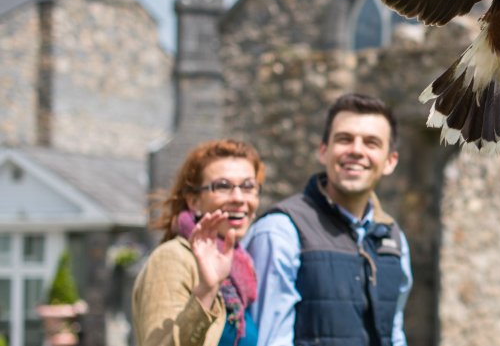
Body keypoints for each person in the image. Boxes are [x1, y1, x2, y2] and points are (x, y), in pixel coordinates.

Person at [243, 92, 412, 346]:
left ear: (390, 161)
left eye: (371, 143)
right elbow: (269, 341)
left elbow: (394, 334)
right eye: (344, 139)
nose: (356, 150)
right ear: (323, 151)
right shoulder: (280, 231)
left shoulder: (395, 240)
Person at [133, 139, 265, 346]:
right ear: (193, 201)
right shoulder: (172, 259)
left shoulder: (242, 267)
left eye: (248, 187)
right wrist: (206, 291)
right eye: (222, 186)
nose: (239, 198)